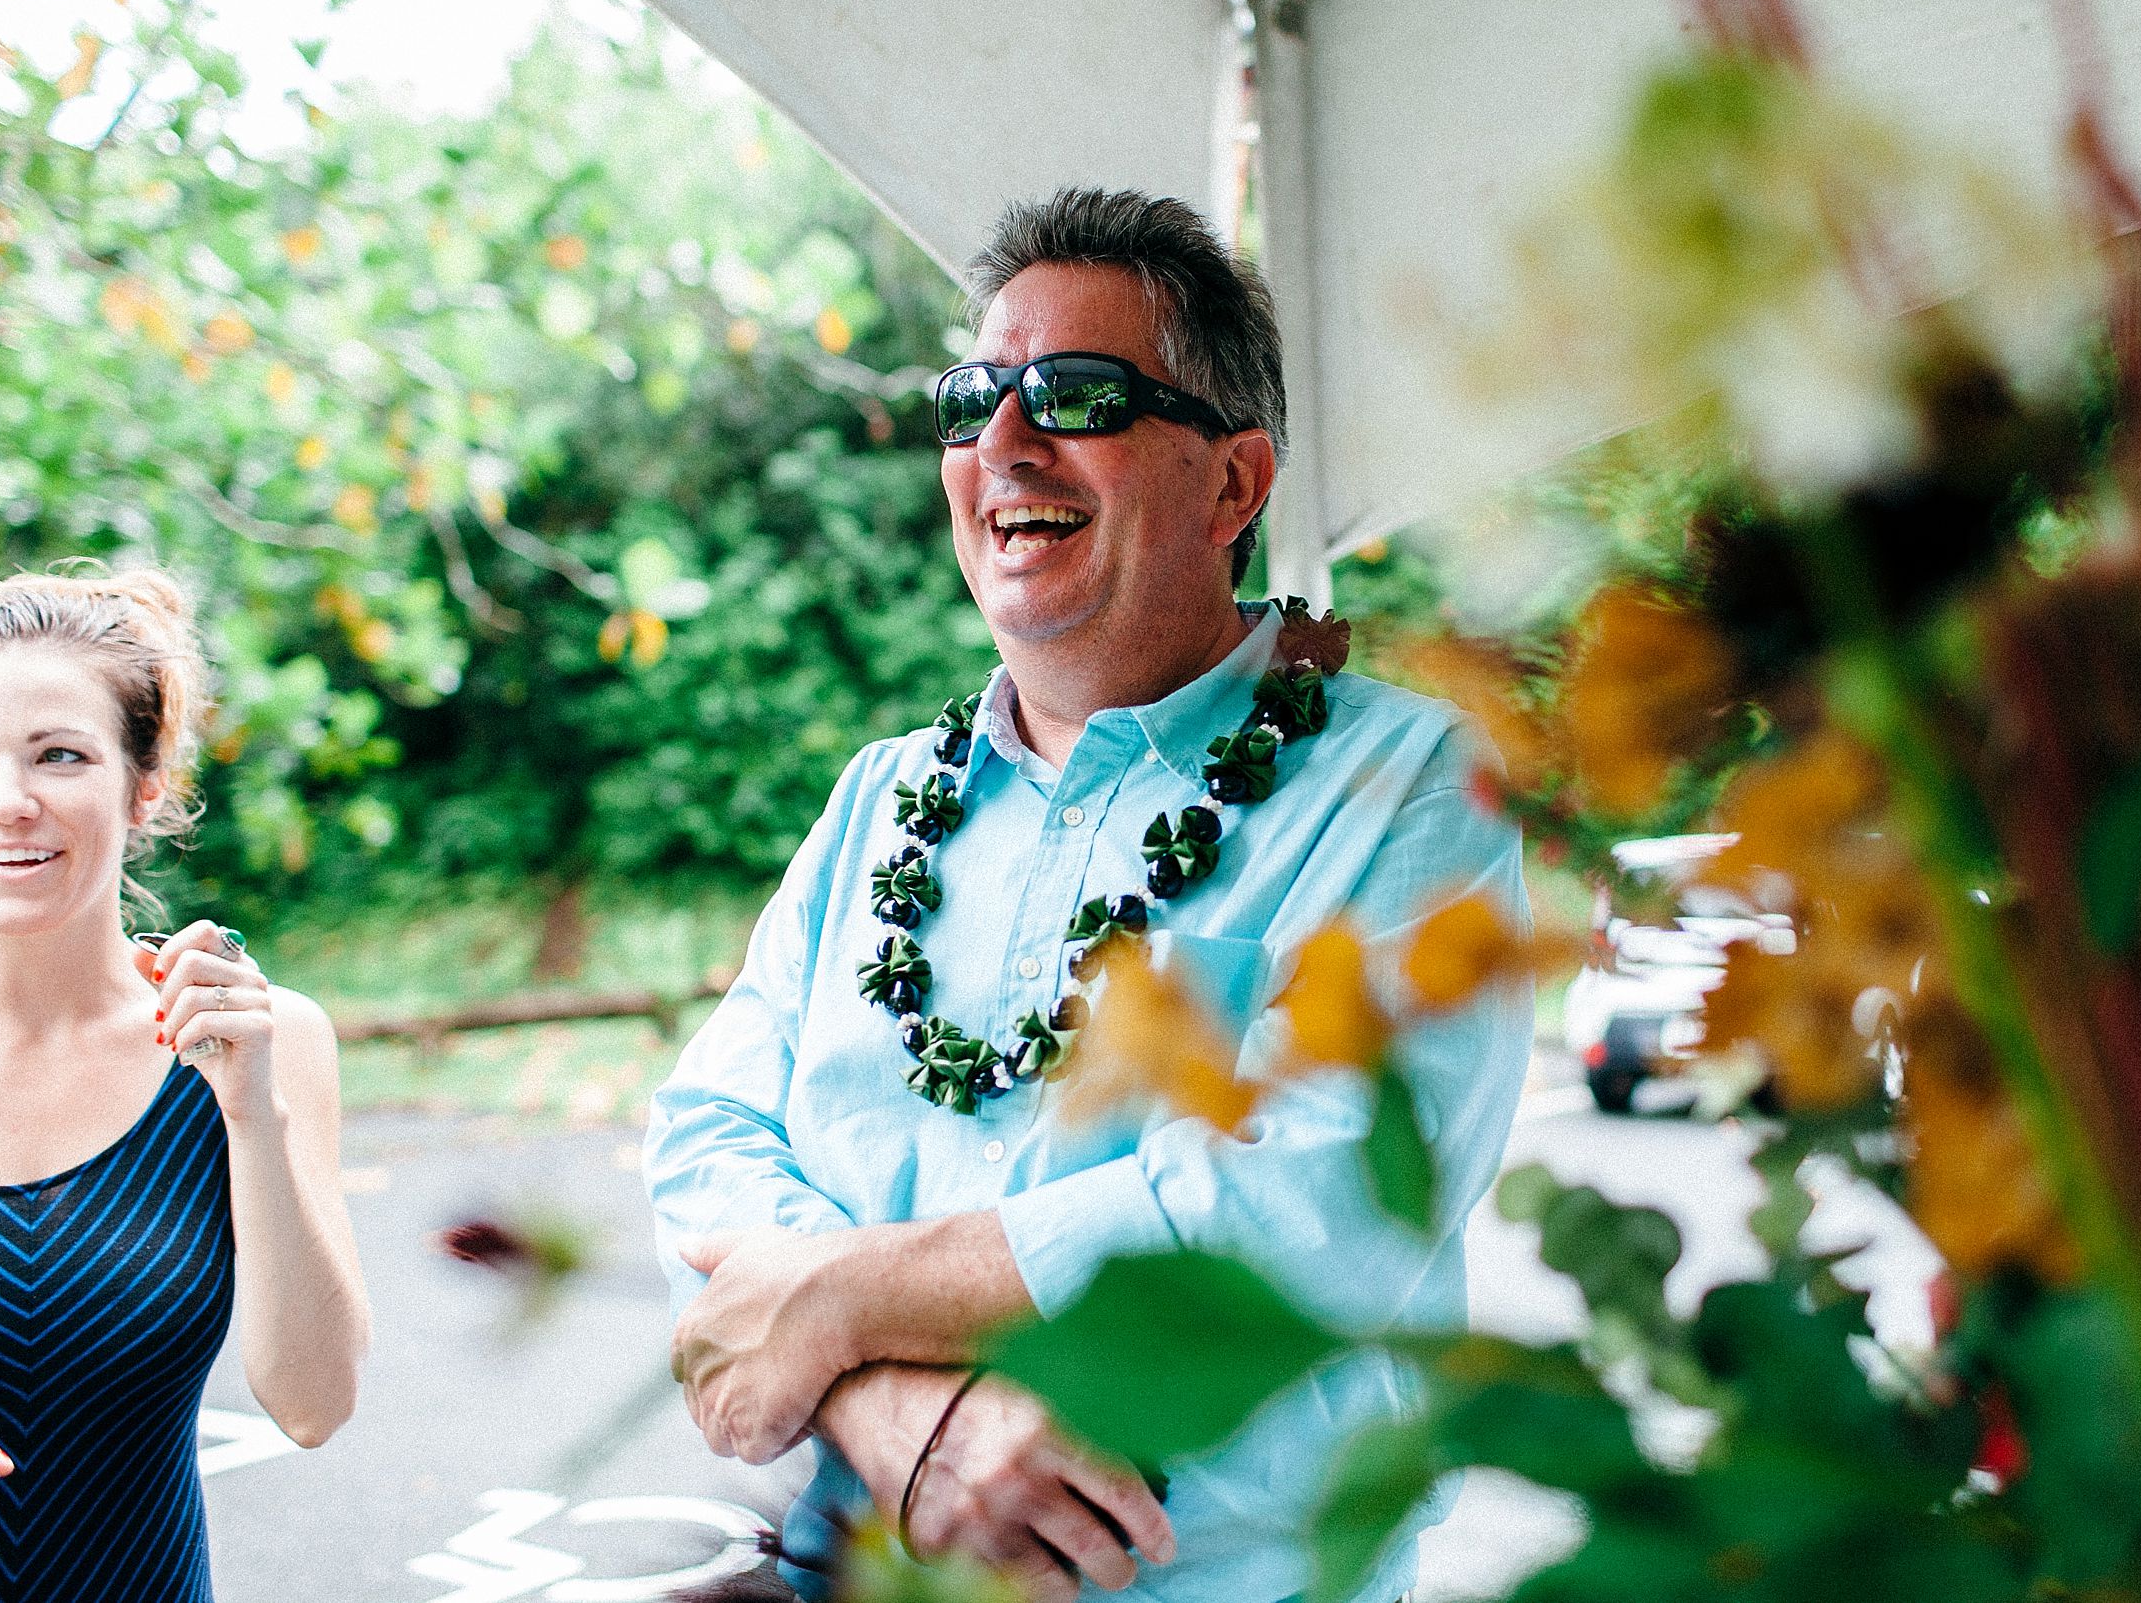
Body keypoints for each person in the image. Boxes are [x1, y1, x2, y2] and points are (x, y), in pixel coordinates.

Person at [646, 188, 1533, 1602]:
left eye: (1073, 393)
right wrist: (907, 1419)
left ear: (1233, 484)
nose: (1003, 441)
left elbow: (1320, 1205)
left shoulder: (1413, 783)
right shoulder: (880, 795)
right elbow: (707, 1134)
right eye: (973, 397)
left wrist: (835, 1297)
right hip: (846, 1556)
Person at [0, 568, 370, 1603]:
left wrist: (250, 1113)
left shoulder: (265, 1040)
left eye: (60, 754)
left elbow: (314, 1402)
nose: (6, 802)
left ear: (144, 786)